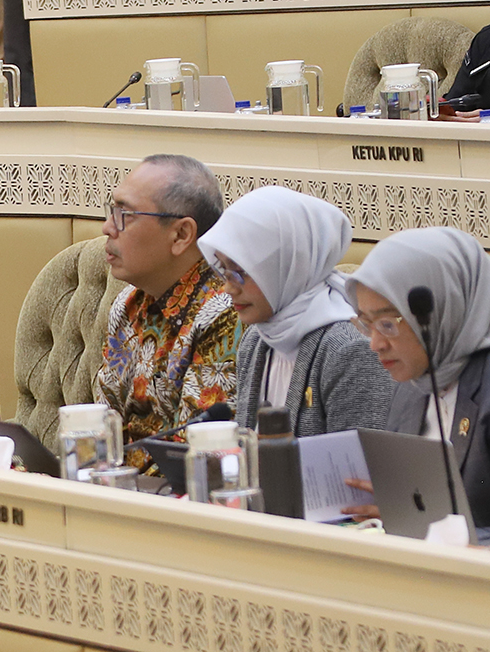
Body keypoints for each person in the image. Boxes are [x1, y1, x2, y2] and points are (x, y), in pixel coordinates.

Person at [345, 227, 490, 532]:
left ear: (442, 309)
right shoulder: (412, 381)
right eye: (366, 323)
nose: (375, 343)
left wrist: (430, 531)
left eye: (388, 323)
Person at [197, 186, 394, 437]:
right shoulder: (256, 340)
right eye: (223, 269)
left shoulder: (349, 349)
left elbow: (358, 467)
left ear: (288, 265)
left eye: (241, 271)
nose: (228, 287)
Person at [93, 154, 239, 465]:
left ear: (181, 235)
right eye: (111, 210)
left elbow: (197, 456)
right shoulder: (128, 304)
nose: (107, 227)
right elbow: (103, 432)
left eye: (125, 214)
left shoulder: (226, 311)